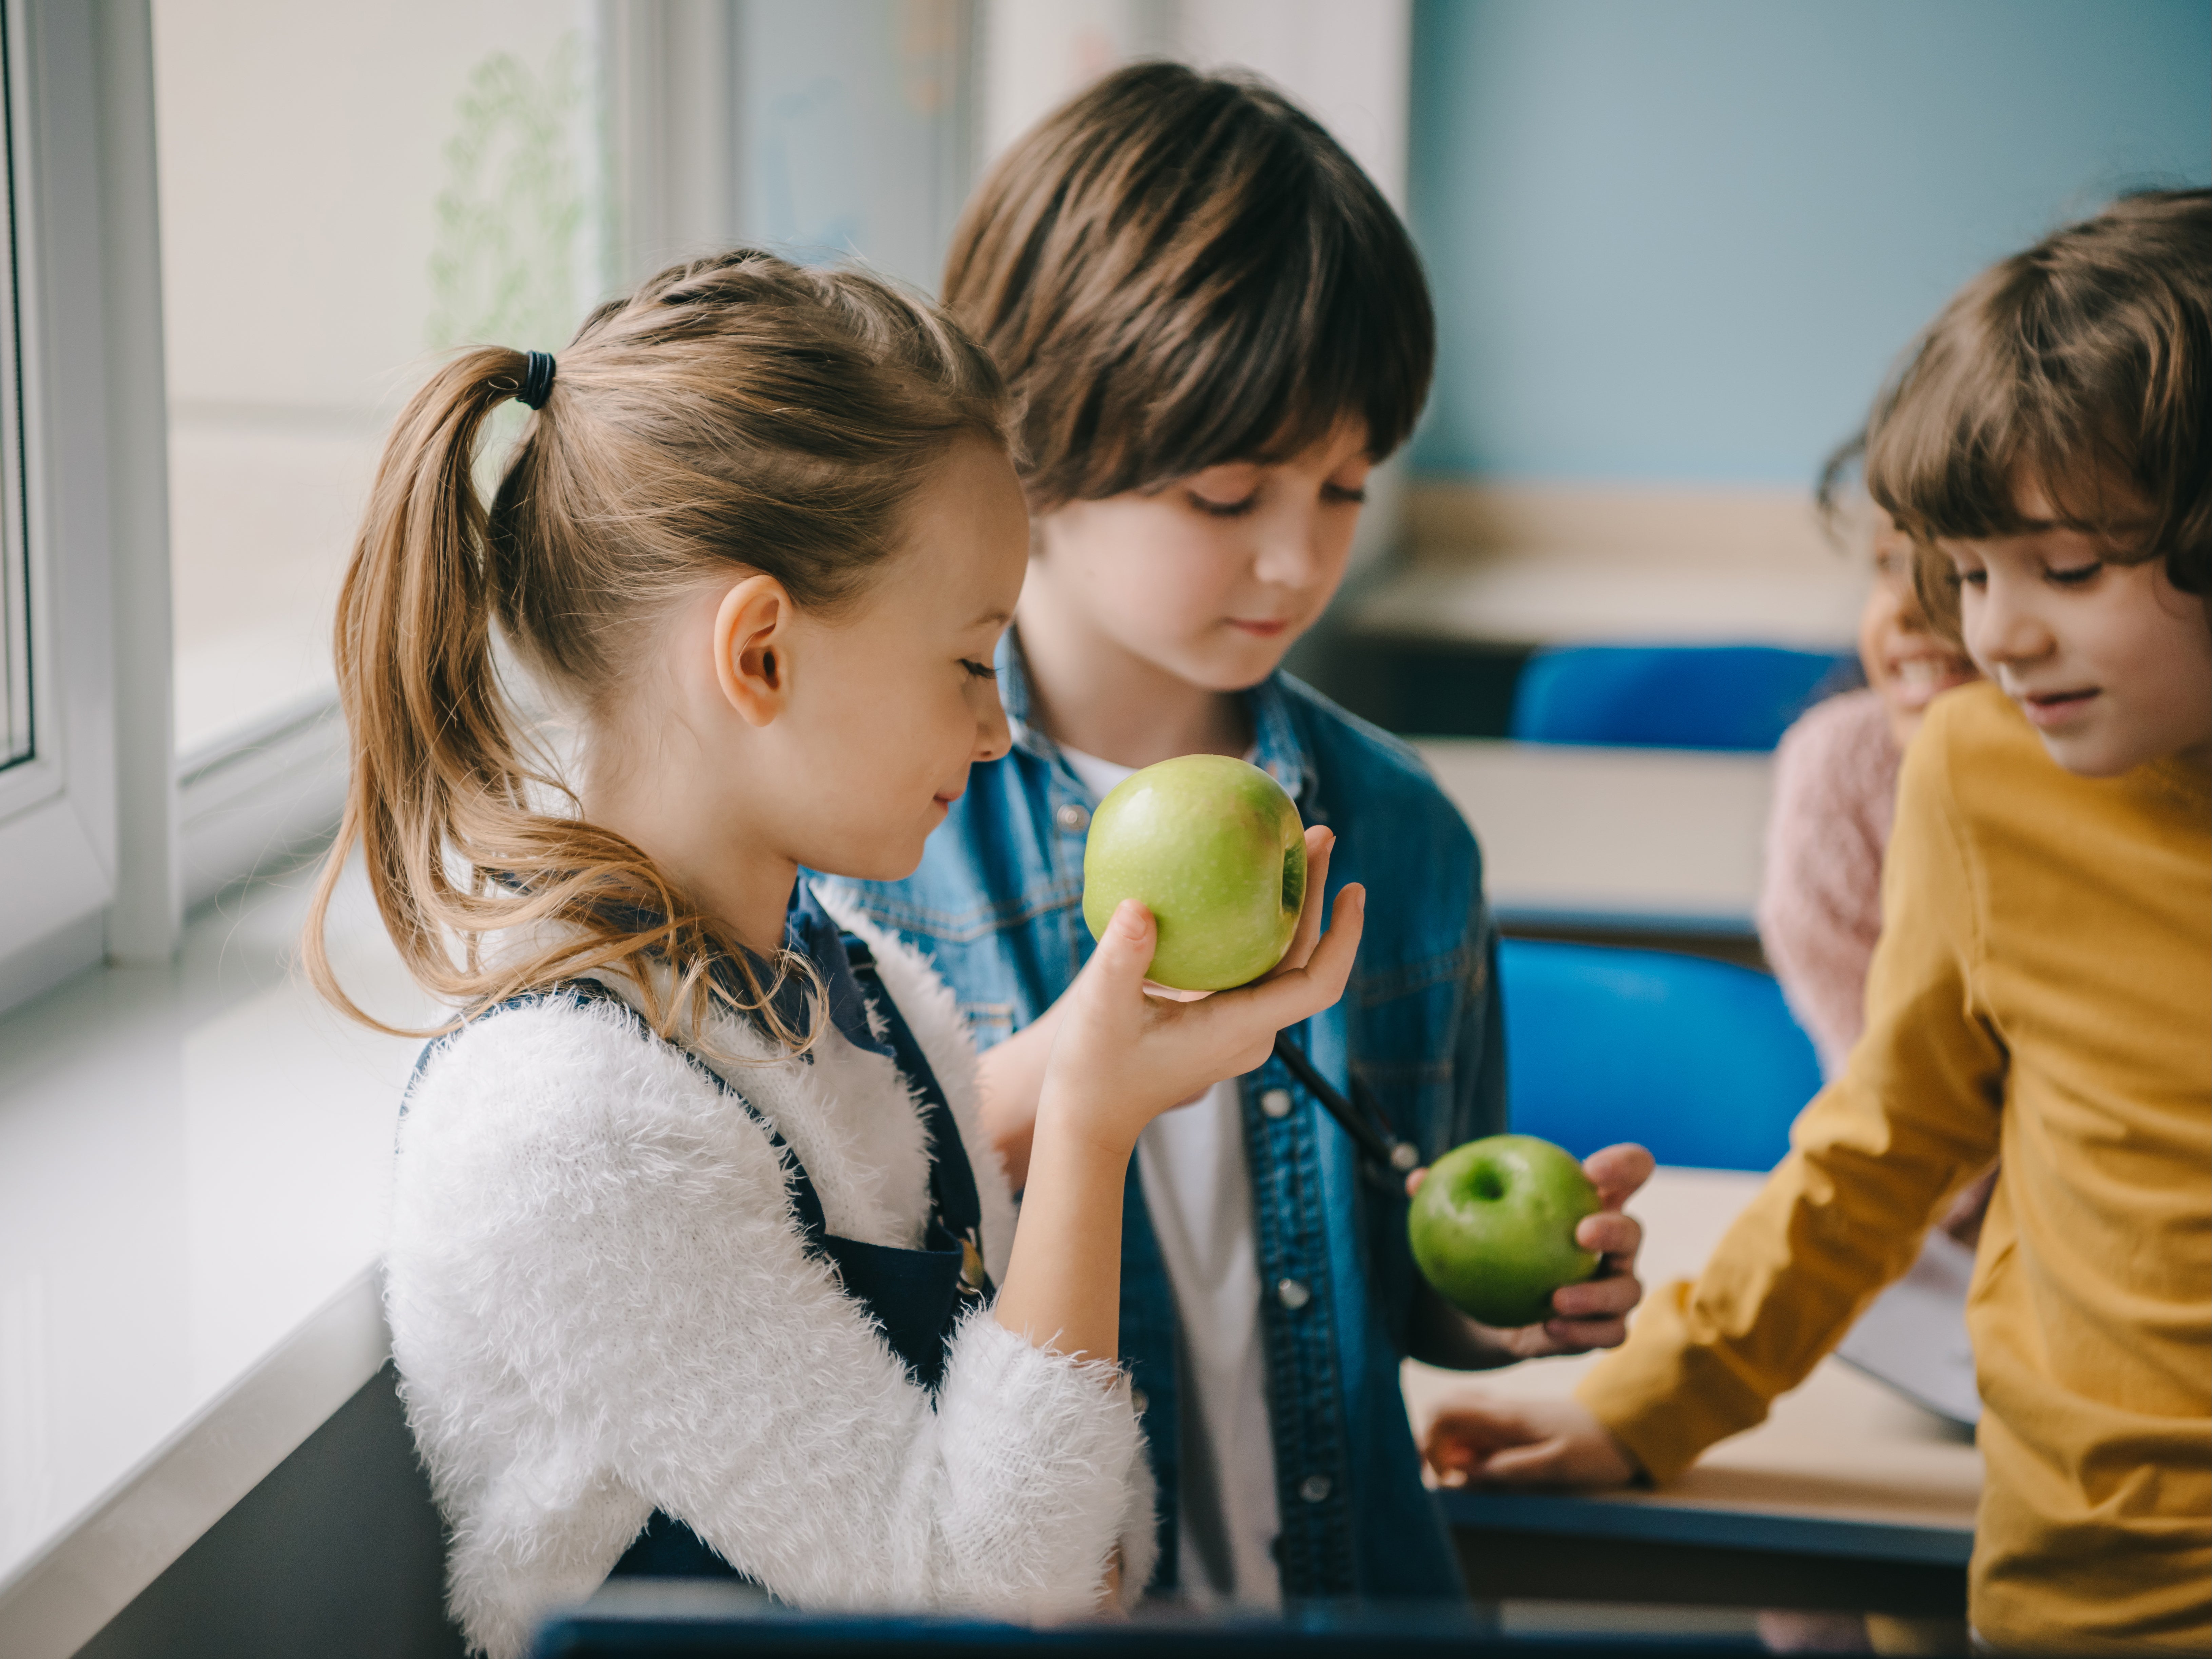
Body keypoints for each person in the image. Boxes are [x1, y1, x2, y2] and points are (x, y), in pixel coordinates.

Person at [303, 251, 1370, 1659]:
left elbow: (1075, 1535)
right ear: (757, 656)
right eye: (968, 659)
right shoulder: (567, 1132)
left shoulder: (848, 980)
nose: (995, 731)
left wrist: (1127, 1057)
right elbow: (986, 1596)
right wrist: (1093, 1122)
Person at [819, 63, 1651, 1609]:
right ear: (1025, 449)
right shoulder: (866, 838)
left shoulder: (1393, 839)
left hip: (1341, 1594)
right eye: (1222, 492)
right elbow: (825, 1241)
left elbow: (1403, 1266)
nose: (1295, 554)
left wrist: (1516, 1308)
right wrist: (1082, 1071)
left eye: (1341, 486)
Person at [1420, 191, 2211, 1653]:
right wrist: (1648, 1407)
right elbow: (1881, 1144)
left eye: (2069, 570)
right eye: (1967, 573)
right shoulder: (1979, 773)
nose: (1995, 634)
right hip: (2082, 1588)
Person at [1759, 459, 1979, 1078]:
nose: (1907, 609)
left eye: (1961, 572)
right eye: (1889, 563)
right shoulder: (1841, 776)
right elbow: (1886, 1091)